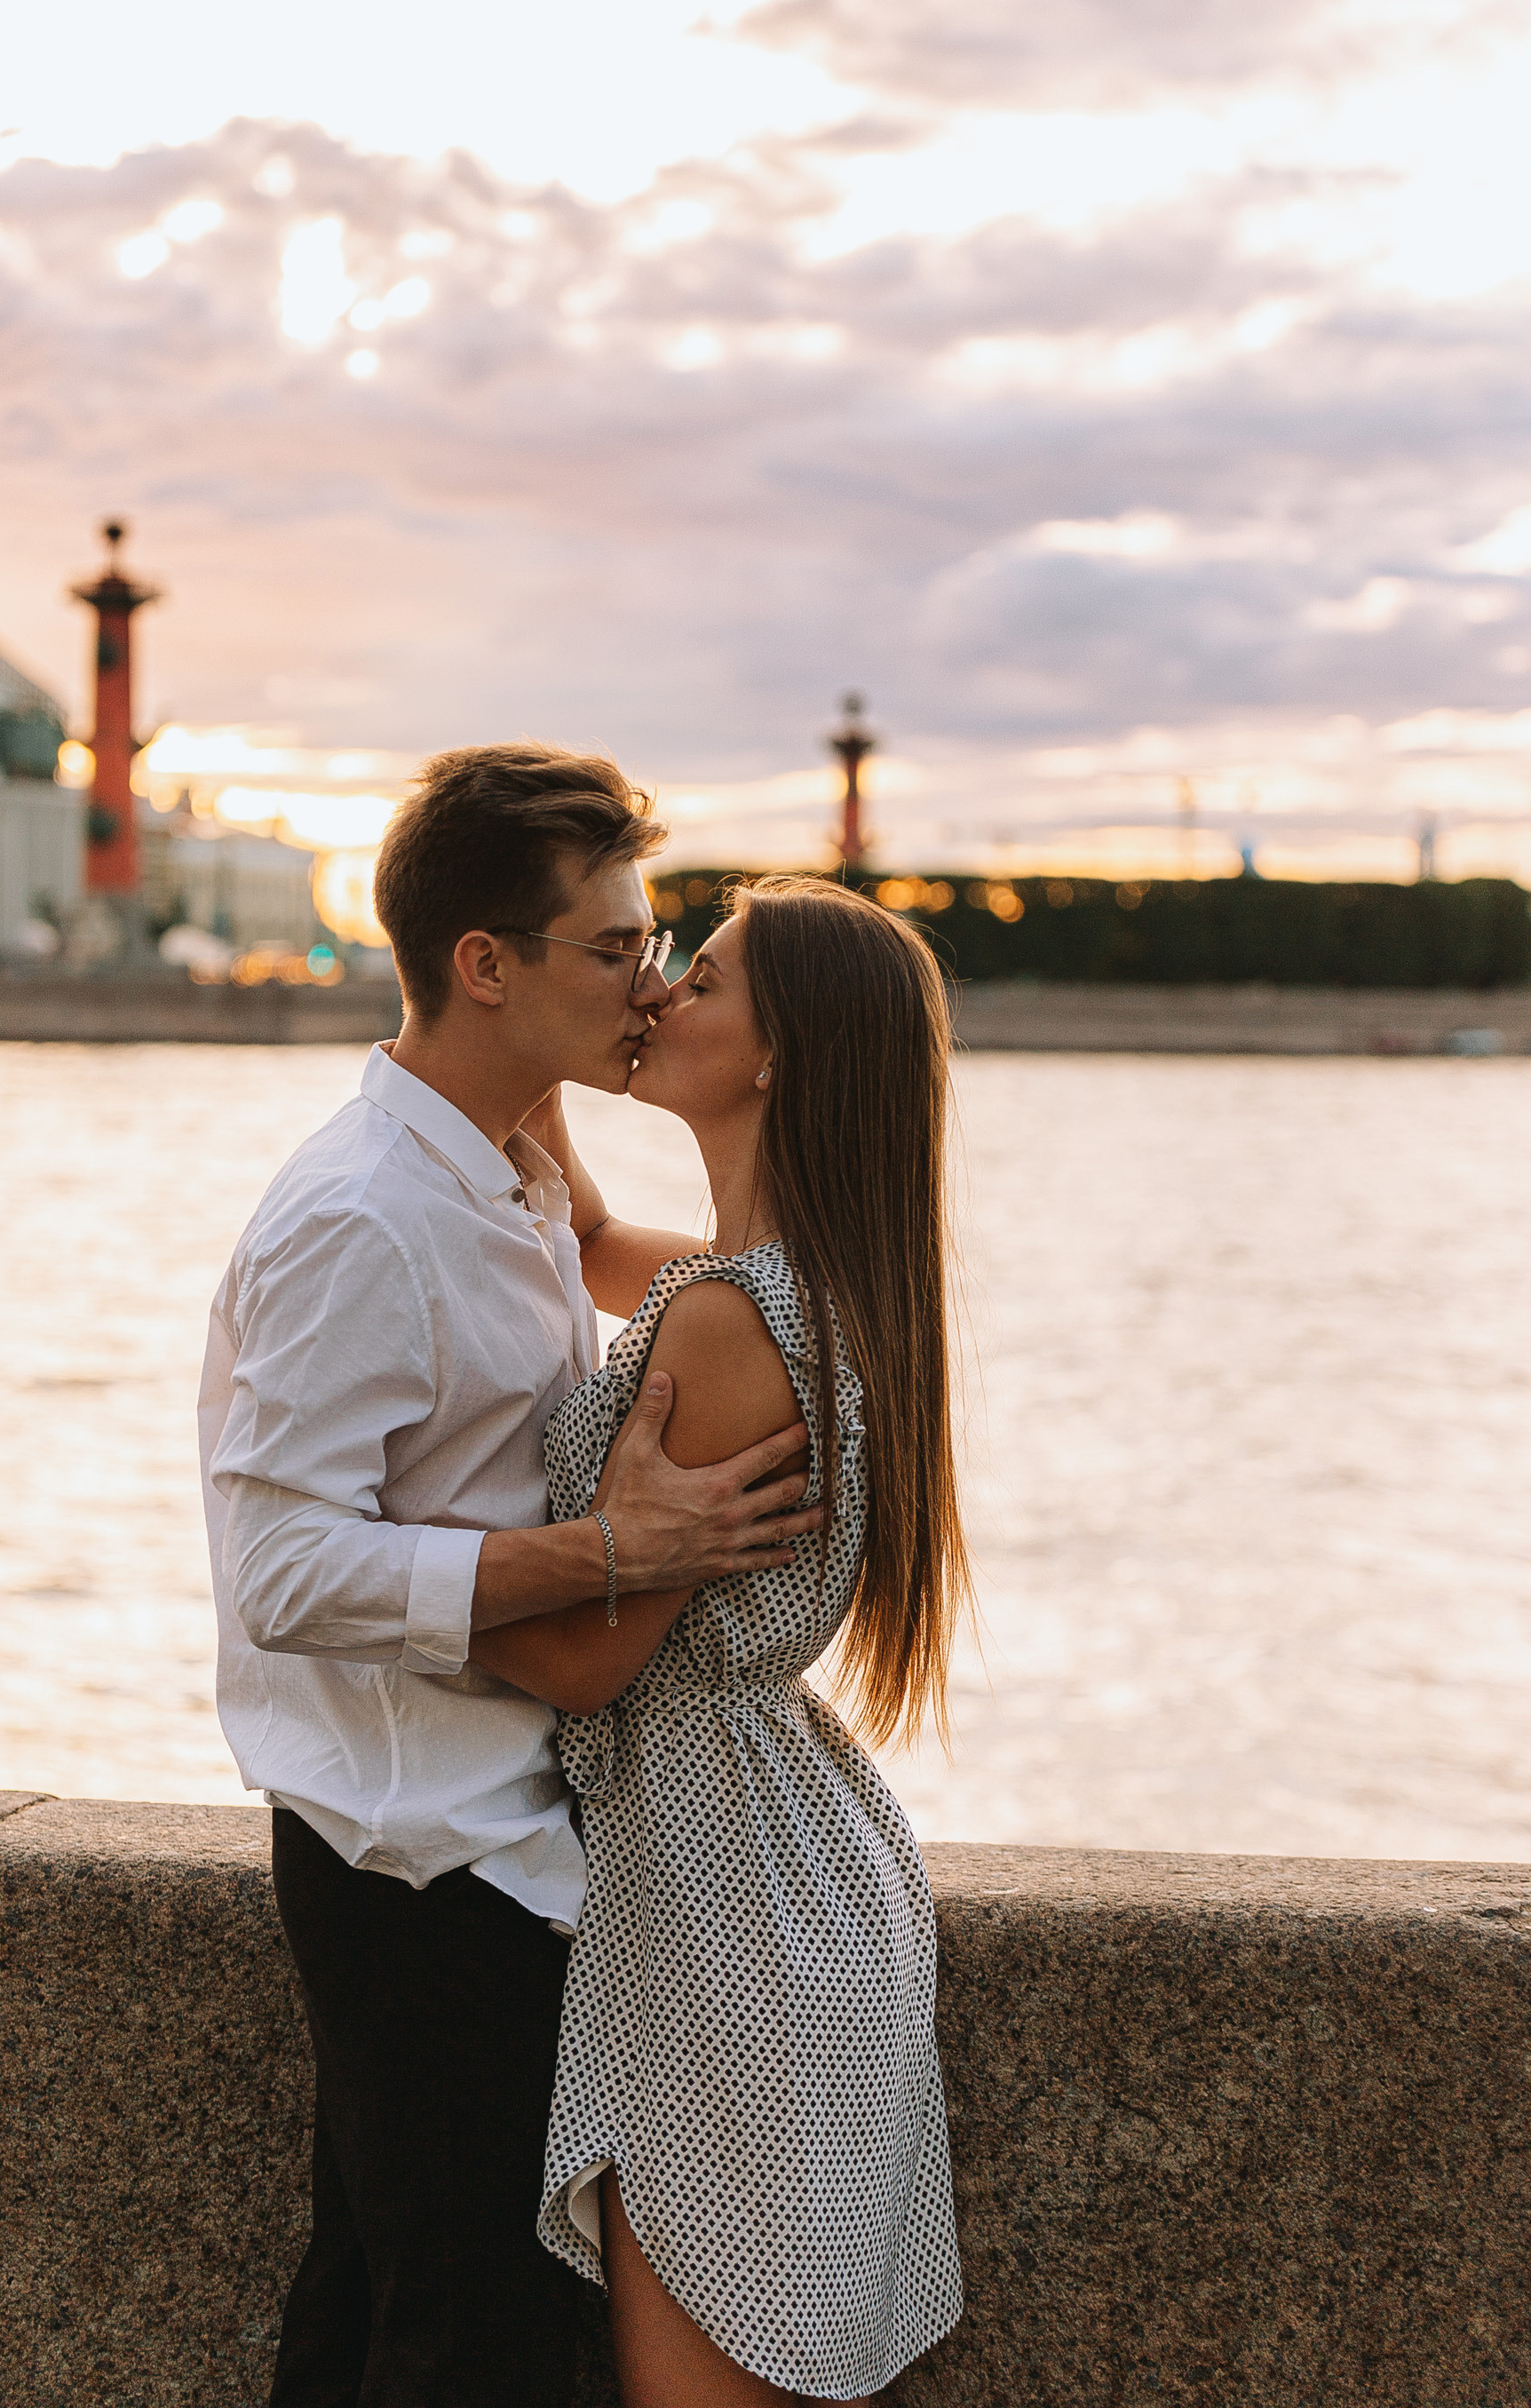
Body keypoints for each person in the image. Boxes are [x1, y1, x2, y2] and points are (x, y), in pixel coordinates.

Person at [199, 746, 815, 2408]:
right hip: (415, 1852)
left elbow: (642, 1274)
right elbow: (282, 1567)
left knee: (384, 2304)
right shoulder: (361, 1217)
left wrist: (816, 1290)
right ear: (488, 965)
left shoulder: (515, 1156)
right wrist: (616, 1551)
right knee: (463, 2334)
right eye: (615, 948)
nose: (652, 980)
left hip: (501, 1826)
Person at [472, 875, 969, 2405]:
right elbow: (598, 1234)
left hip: (718, 1909)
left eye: (707, 976)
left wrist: (346, 1577)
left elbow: (582, 1667)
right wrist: (534, 1039)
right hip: (789, 1871)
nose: (664, 987)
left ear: (774, 1057)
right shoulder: (797, 1284)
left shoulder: (729, 1327)